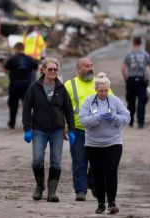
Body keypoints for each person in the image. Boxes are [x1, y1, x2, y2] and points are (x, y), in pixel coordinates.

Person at [22, 58, 74, 203]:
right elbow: (26, 109)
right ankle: (40, 186)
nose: (52, 72)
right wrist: (27, 128)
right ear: (43, 70)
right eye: (50, 69)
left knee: (56, 161)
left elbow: (68, 110)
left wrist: (72, 130)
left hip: (57, 130)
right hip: (39, 129)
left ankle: (52, 192)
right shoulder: (34, 87)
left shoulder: (61, 88)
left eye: (55, 70)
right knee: (37, 160)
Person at [79, 76, 130, 215]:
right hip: (93, 144)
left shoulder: (115, 101)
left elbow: (127, 118)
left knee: (111, 171)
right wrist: (98, 117)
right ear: (95, 89)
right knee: (98, 174)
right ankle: (101, 203)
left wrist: (114, 117)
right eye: (101, 91)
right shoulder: (89, 101)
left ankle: (112, 202)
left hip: (113, 142)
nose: (103, 93)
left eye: (106, 91)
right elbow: (83, 121)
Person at [64, 57, 97, 201]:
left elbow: (112, 101)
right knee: (79, 160)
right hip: (77, 129)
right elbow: (62, 107)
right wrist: (64, 125)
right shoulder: (69, 85)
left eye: (91, 65)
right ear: (79, 69)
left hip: (97, 130)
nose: (90, 68)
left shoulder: (99, 83)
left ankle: (92, 182)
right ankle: (80, 190)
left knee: (98, 161)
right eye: (86, 66)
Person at [121, 36, 150, 129]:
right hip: (142, 80)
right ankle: (140, 123)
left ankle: (130, 122)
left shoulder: (129, 55)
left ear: (133, 43)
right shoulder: (145, 55)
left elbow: (123, 69)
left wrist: (126, 79)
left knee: (130, 102)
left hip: (131, 80)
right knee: (141, 102)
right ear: (141, 43)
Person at [4, 42, 38, 129]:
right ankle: (28, 124)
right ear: (23, 48)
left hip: (14, 85)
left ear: (15, 49)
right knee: (27, 105)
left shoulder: (12, 59)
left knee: (13, 105)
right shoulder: (30, 59)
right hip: (26, 84)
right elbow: (36, 67)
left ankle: (12, 123)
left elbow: (5, 69)